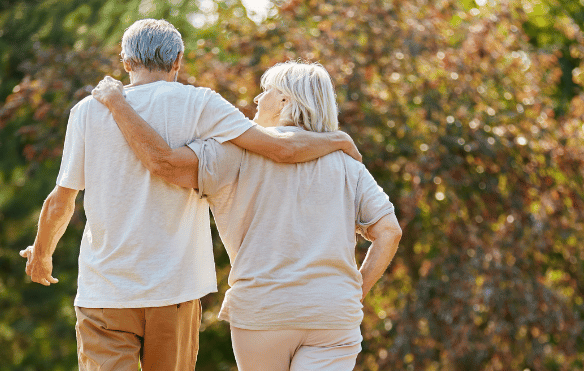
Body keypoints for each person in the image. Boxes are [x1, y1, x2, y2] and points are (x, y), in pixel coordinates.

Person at [19, 20, 360, 371]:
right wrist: (337, 140)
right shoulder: (201, 104)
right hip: (175, 290)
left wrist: (42, 253)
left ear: (125, 62)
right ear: (178, 59)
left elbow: (61, 199)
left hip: (105, 292)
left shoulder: (88, 111)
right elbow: (279, 147)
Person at [90, 60, 402, 371]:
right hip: (332, 313)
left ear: (284, 101)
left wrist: (118, 105)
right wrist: (354, 291)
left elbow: (165, 163)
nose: (256, 99)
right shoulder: (348, 163)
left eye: (266, 91)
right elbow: (389, 232)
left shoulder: (233, 153)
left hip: (263, 311)